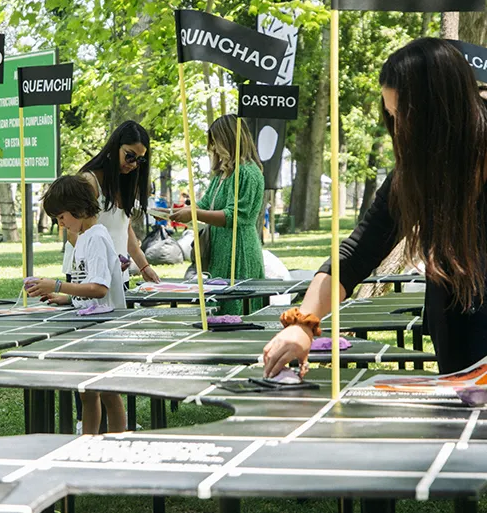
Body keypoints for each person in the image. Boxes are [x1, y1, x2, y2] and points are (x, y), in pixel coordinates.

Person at [263, 38, 487, 378]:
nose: (398, 132)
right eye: (392, 116)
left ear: (440, 111)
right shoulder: (413, 173)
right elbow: (355, 254)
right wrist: (303, 323)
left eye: (406, 118)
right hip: (456, 336)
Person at [27, 175, 127, 434]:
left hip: (105, 327)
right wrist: (68, 298)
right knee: (87, 392)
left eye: (61, 217)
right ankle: (88, 442)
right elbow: (87, 285)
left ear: (79, 208)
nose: (61, 224)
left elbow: (99, 288)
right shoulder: (83, 238)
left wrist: (57, 285)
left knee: (108, 392)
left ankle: (118, 443)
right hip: (89, 323)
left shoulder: (95, 238)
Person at [170, 114, 266, 314]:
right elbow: (205, 205)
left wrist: (195, 214)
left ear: (230, 139)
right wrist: (172, 212)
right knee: (218, 303)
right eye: (211, 142)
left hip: (238, 250)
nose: (213, 147)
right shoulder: (222, 173)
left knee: (236, 305)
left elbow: (234, 216)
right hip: (219, 250)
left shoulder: (247, 173)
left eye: (216, 141)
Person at [63, 121, 161, 286]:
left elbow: (124, 229)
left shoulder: (126, 183)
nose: (133, 164)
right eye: (129, 156)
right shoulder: (90, 181)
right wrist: (104, 261)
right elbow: (73, 233)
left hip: (118, 272)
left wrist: (144, 267)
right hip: (88, 273)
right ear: (115, 147)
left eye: (139, 160)